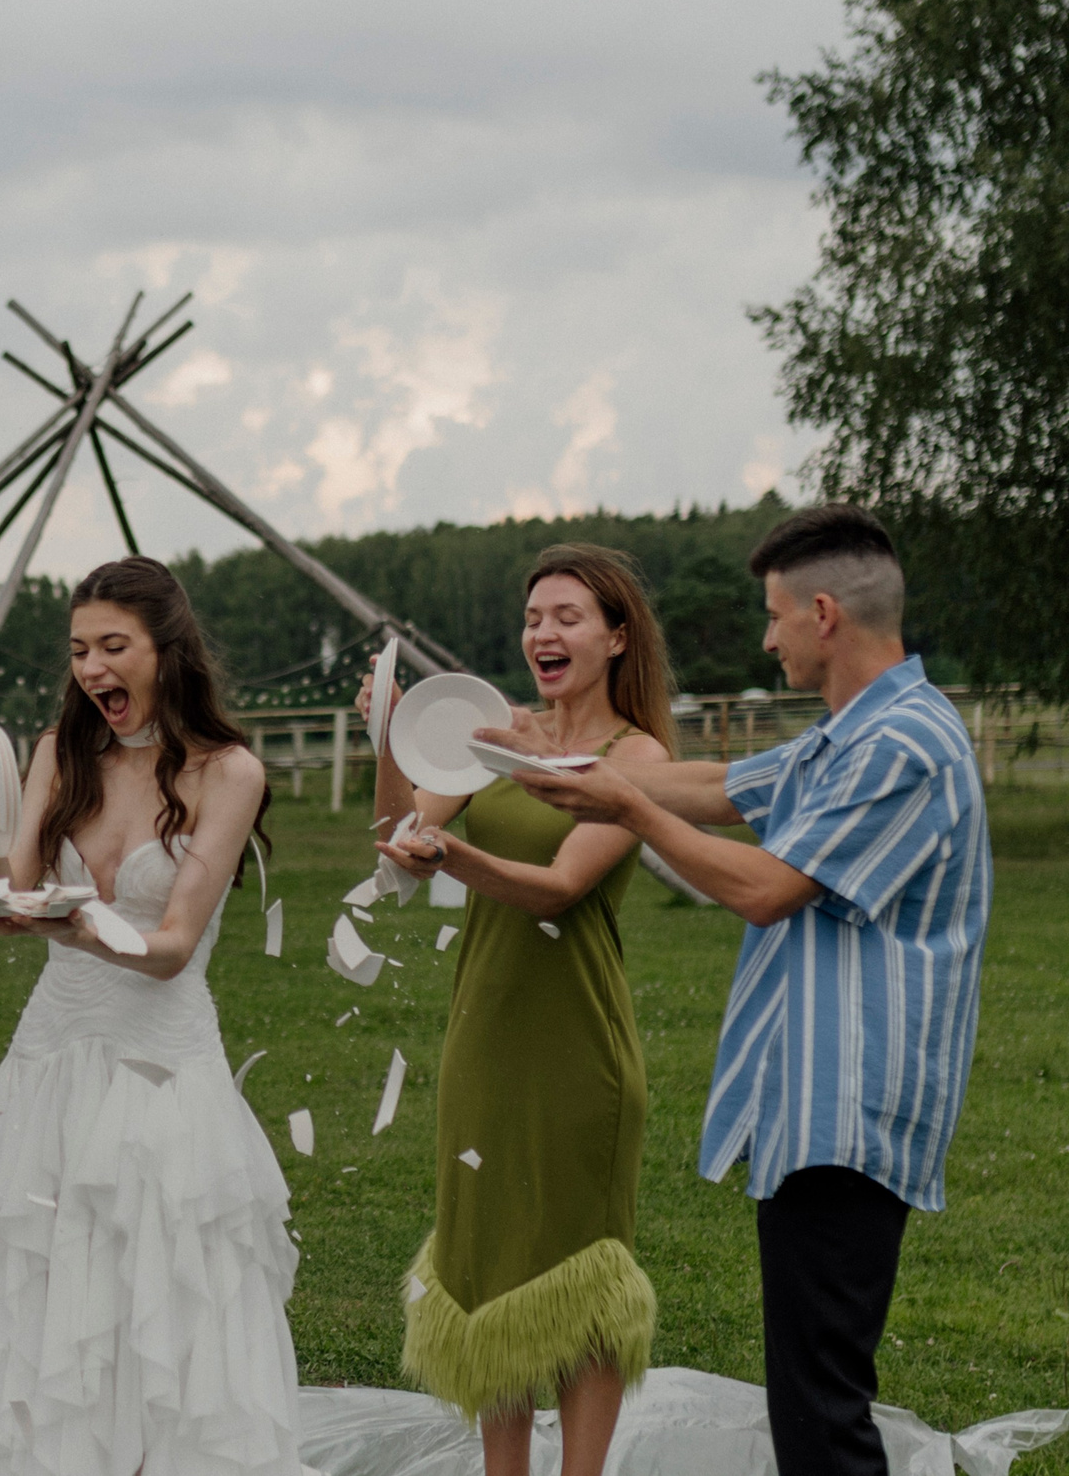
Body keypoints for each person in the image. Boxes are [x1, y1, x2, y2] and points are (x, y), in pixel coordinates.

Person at [484, 505, 989, 1476]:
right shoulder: (850, 733)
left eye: (773, 614)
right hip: (810, 1105)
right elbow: (720, 785)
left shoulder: (900, 745)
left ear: (824, 613)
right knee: (810, 1392)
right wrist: (558, 762)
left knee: (821, 1407)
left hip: (849, 1109)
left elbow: (763, 888)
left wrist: (625, 800)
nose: (767, 635)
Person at [0, 555, 300, 1476]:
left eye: (114, 646)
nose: (93, 669)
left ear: (167, 650)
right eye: (80, 649)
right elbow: (5, 905)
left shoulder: (229, 771)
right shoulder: (63, 752)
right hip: (51, 1064)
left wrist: (79, 922)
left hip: (160, 1069)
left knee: (159, 1305)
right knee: (38, 1302)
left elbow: (171, 947)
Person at [365, 544, 674, 1476]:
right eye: (535, 616)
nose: (544, 631)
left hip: (576, 1048)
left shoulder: (638, 755)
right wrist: (386, 737)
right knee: (490, 1265)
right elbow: (393, 849)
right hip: (483, 1042)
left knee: (580, 1276)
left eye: (567, 616)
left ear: (617, 636)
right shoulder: (489, 734)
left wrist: (451, 857)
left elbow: (558, 886)